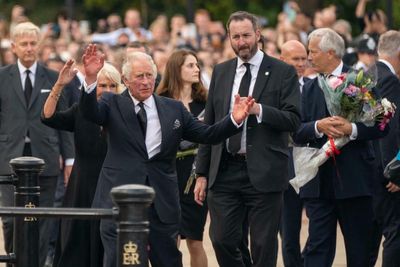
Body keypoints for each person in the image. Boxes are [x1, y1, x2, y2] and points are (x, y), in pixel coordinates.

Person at [79, 44, 254, 267]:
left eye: (149, 76)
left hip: (161, 200)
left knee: (169, 261)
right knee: (120, 261)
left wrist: (234, 120)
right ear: (126, 79)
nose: (145, 81)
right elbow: (89, 113)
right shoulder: (111, 103)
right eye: (139, 76)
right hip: (119, 199)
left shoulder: (173, 108)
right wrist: (90, 79)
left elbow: (207, 134)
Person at [194, 11, 301, 267]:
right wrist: (201, 172)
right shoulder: (220, 72)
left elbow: (294, 119)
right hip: (224, 169)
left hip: (265, 171)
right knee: (221, 239)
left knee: (263, 245)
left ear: (258, 34)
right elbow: (209, 125)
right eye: (236, 36)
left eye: (246, 35)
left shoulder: (282, 71)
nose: (241, 42)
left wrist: (259, 110)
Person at [293, 28, 388, 267]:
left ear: (331, 53)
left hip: (355, 182)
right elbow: (295, 129)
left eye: (313, 52)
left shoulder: (360, 81)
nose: (309, 57)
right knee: (317, 252)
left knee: (360, 251)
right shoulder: (308, 88)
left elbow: (382, 124)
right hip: (319, 185)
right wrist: (318, 126)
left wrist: (352, 130)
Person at [0, 21, 74, 267]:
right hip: (9, 157)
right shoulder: (1, 78)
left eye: (33, 43)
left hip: (46, 156)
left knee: (43, 218)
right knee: (11, 219)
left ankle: (38, 263)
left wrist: (70, 159)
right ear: (13, 47)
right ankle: (14, 262)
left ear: (39, 45)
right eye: (24, 44)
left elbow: (63, 121)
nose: (29, 48)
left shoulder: (54, 78)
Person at [41, 60, 124, 267]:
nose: (107, 90)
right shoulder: (81, 110)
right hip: (81, 188)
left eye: (112, 86)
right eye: (102, 85)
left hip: (112, 187)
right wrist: (59, 85)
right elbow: (48, 117)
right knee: (75, 246)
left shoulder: (125, 114)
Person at [156, 49, 208, 267]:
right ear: (176, 69)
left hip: (197, 174)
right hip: (168, 175)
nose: (196, 69)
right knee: (171, 239)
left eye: (197, 65)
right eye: (190, 65)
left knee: (195, 240)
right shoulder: (160, 102)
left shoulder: (205, 102)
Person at [369, 30, 400, 267]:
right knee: (395, 232)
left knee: (371, 237)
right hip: (385, 174)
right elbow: (387, 128)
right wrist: (394, 171)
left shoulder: (368, 74)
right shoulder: (389, 80)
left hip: (368, 168)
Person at [279, 40, 308, 267]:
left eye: (303, 59)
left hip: (316, 164)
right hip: (285, 167)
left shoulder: (315, 86)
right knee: (288, 231)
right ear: (282, 60)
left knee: (320, 226)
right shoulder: (272, 90)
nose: (300, 64)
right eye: (294, 59)